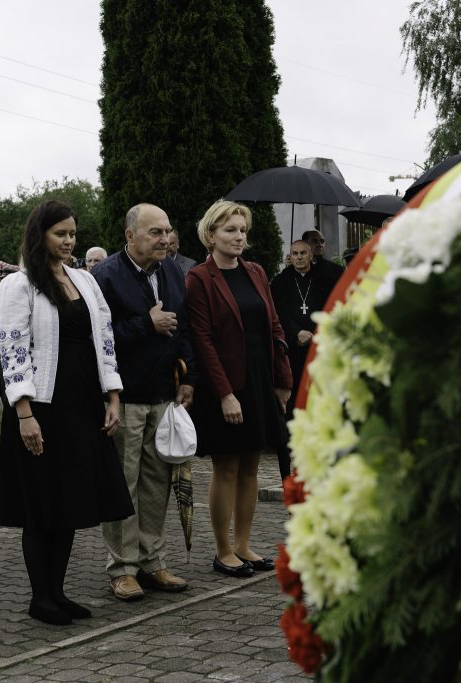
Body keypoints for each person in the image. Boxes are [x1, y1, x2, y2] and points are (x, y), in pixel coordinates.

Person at [0, 199, 133, 625]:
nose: (69, 241)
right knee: (42, 505)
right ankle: (42, 598)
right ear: (41, 235)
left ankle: (58, 591)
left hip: (81, 405)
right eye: (61, 234)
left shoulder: (85, 281)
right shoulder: (19, 286)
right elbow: (13, 350)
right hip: (41, 408)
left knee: (69, 503)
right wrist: (24, 412)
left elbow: (104, 338)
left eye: (73, 233)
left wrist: (112, 395)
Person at [94, 203, 196, 602]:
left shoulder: (172, 270)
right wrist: (145, 325)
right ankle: (121, 568)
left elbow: (183, 326)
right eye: (155, 232)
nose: (165, 239)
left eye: (168, 231)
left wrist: (189, 380)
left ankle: (153, 562)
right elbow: (98, 337)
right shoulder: (105, 277)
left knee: (157, 484)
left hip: (163, 395)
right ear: (130, 236)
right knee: (125, 484)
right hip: (126, 398)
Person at [186, 200, 292, 578]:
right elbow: (202, 340)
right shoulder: (199, 278)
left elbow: (275, 327)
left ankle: (245, 545)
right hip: (226, 387)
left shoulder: (257, 272)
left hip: (261, 381)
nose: (238, 237)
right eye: (230, 230)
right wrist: (225, 393)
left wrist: (283, 381)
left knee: (251, 467)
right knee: (227, 468)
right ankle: (223, 551)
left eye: (242, 230)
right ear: (211, 234)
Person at [268, 240, 334, 479]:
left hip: (318, 353)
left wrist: (315, 333)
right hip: (292, 355)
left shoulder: (323, 279)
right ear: (290, 256)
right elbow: (275, 315)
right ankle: (292, 462)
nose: (298, 258)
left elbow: (331, 307)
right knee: (292, 409)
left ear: (310, 255)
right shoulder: (281, 282)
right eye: (294, 254)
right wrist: (295, 332)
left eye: (303, 253)